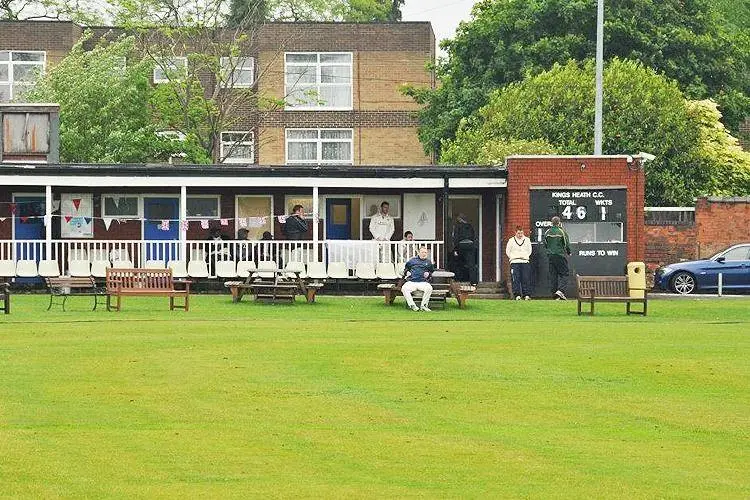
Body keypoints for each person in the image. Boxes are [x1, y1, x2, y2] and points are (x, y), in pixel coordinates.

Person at [543, 216, 572, 300]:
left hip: (550, 256)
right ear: (559, 223)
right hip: (560, 255)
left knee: (553, 275)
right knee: (565, 274)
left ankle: (554, 295)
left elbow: (545, 244)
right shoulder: (561, 232)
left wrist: (550, 250)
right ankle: (560, 291)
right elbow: (566, 244)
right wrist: (569, 252)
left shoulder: (547, 232)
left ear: (552, 223)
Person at [401, 245, 435, 312]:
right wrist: (407, 272)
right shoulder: (412, 261)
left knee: (429, 288)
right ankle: (412, 305)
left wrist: (428, 274)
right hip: (412, 281)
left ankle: (424, 306)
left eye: (425, 252)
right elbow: (405, 269)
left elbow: (431, 271)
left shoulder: (428, 262)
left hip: (423, 282)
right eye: (422, 252)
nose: (424, 254)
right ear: (418, 253)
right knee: (404, 288)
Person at [506, 225, 532, 300]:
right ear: (515, 233)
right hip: (514, 262)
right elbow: (508, 251)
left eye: (521, 233)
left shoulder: (527, 240)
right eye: (518, 233)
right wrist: (513, 257)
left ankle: (526, 295)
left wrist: (525, 256)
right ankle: (517, 295)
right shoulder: (511, 240)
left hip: (524, 261)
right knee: (515, 279)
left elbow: (529, 251)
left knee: (525, 278)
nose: (520, 235)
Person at [452, 214, 477, 285]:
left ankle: (458, 279)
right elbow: (473, 236)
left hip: (461, 246)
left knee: (458, 263)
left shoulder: (457, 226)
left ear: (460, 219)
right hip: (470, 246)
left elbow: (455, 238)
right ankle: (473, 281)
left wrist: (455, 249)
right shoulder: (470, 226)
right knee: (471, 264)